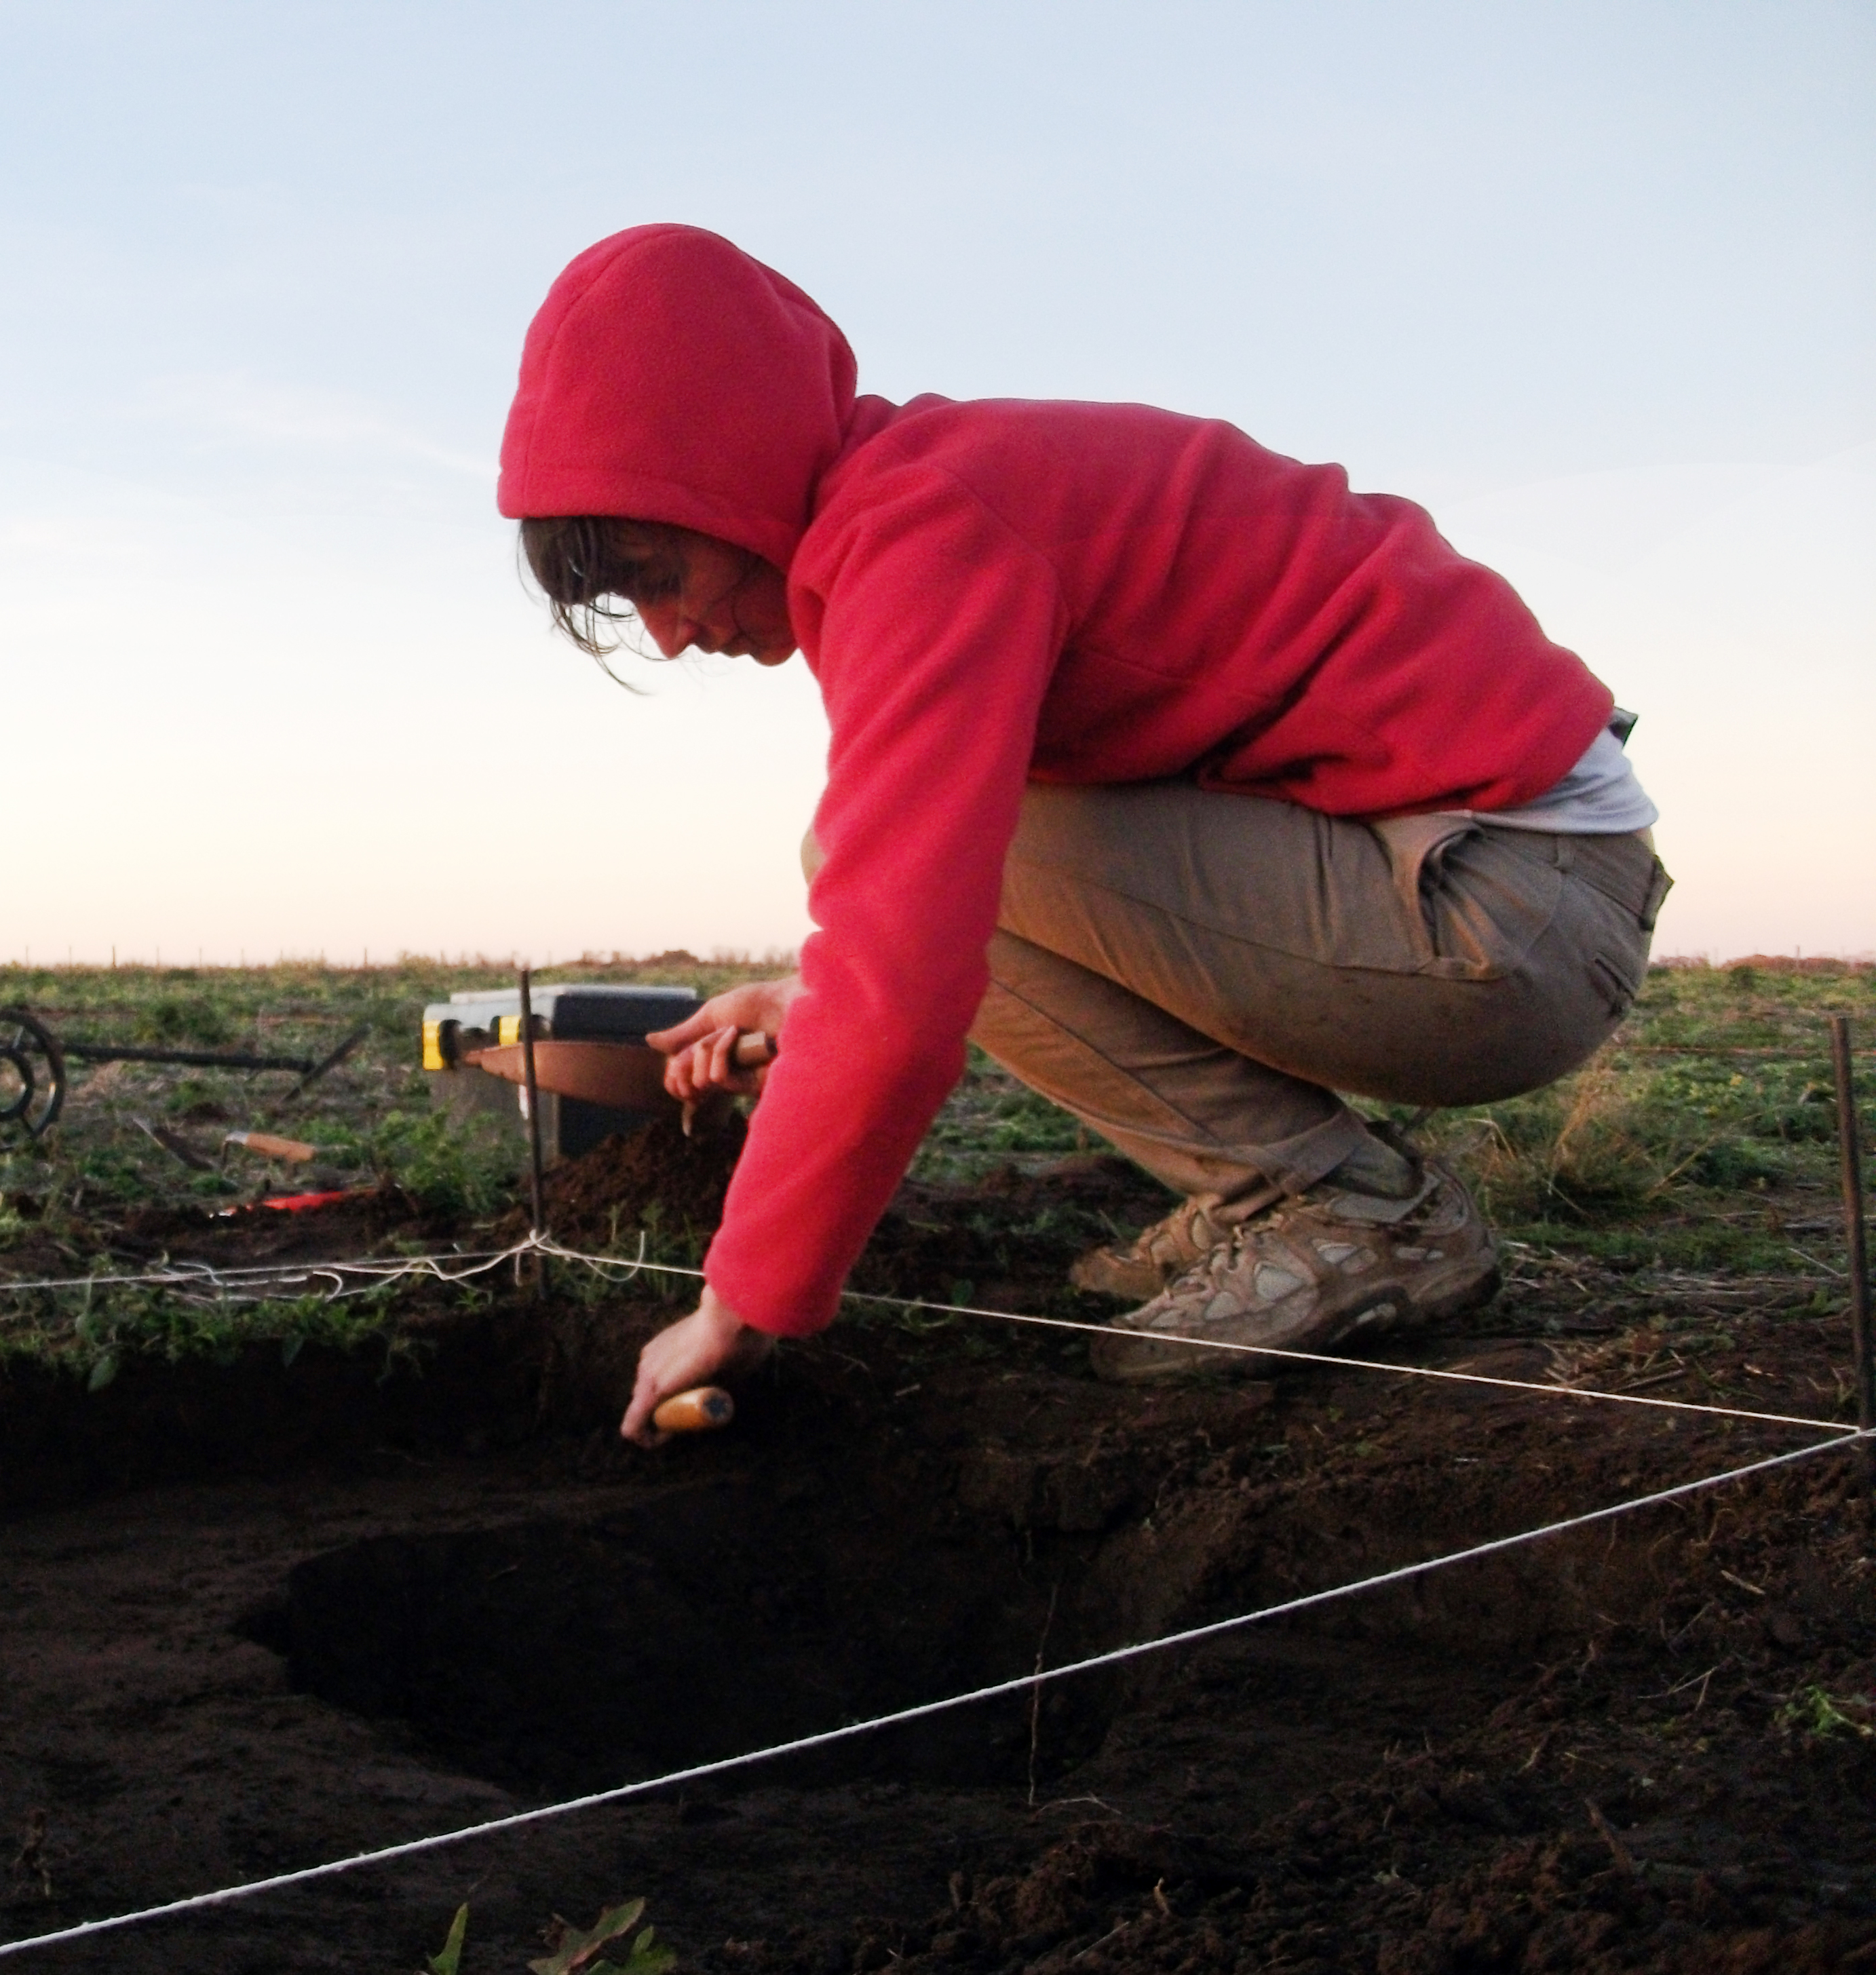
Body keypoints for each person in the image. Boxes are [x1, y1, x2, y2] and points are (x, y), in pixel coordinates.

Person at [495, 225, 1669, 1444]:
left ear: (726, 473)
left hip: (1509, 900)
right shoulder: (915, 501)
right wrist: (812, 1000)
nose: (671, 635)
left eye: (658, 571)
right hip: (1480, 873)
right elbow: (925, 906)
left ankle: (1350, 1208)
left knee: (941, 868)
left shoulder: (925, 530)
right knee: (924, 862)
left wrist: (740, 1302)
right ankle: (1290, 1195)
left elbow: (911, 945)